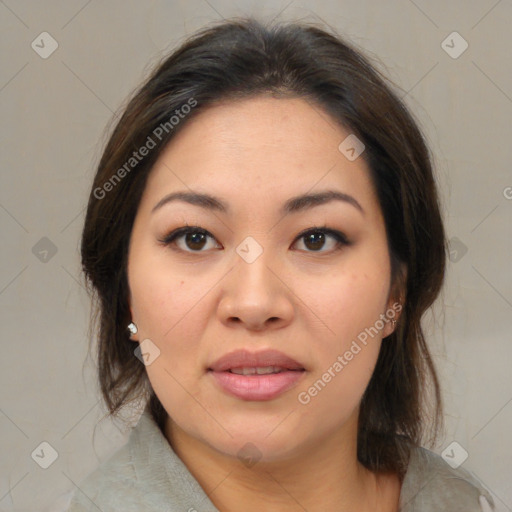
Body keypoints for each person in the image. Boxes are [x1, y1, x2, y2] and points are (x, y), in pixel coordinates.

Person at [66, 17, 494, 512]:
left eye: (316, 239)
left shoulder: (463, 501)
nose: (254, 303)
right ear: (124, 293)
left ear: (396, 292)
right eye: (195, 237)